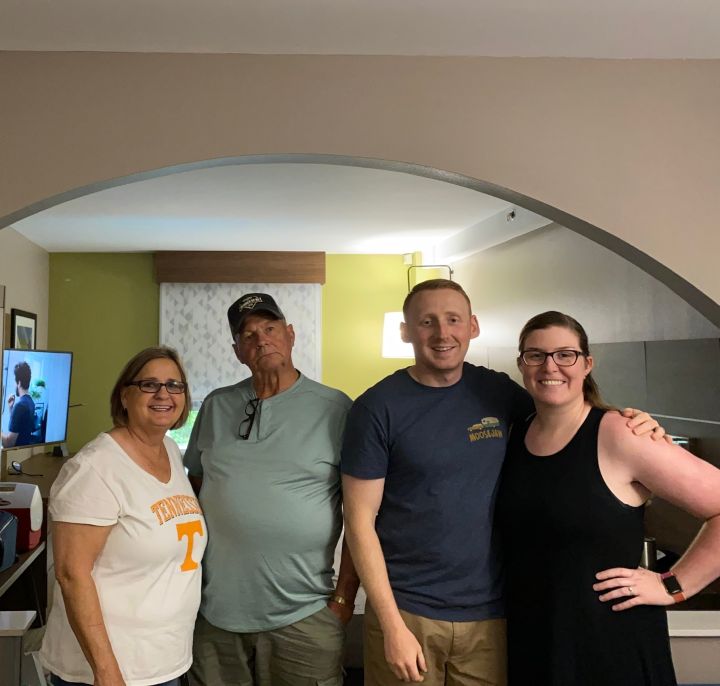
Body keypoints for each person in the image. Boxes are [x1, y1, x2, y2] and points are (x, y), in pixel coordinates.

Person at [341, 279, 663, 685]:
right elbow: (359, 521)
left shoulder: (498, 391)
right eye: (426, 322)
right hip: (409, 613)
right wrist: (391, 625)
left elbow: (564, 415)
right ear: (405, 332)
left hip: (493, 616)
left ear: (472, 326)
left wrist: (634, 424)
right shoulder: (376, 408)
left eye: (453, 319)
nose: (442, 334)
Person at [496, 311, 720, 685]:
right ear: (522, 364)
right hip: (535, 640)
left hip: (609, 645)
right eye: (536, 355)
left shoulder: (622, 433)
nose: (550, 366)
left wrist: (672, 585)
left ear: (587, 364)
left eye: (565, 354)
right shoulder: (516, 433)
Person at [184, 292, 359, 686]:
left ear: (290, 334)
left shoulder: (337, 409)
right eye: (248, 335)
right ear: (237, 351)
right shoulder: (215, 406)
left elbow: (360, 514)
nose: (261, 339)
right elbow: (193, 488)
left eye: (270, 328)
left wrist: (343, 600)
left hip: (304, 615)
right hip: (216, 617)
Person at [40, 346, 206, 686]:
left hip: (163, 660)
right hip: (108, 670)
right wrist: (106, 671)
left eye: (174, 385)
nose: (164, 394)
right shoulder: (95, 468)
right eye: (149, 384)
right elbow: (72, 575)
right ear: (124, 396)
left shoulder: (169, 451)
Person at [1, 361, 36, 447]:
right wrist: (11, 409)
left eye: (15, 382)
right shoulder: (31, 403)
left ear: (19, 383)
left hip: (16, 453)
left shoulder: (20, 406)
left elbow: (9, 444)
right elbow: (20, 426)